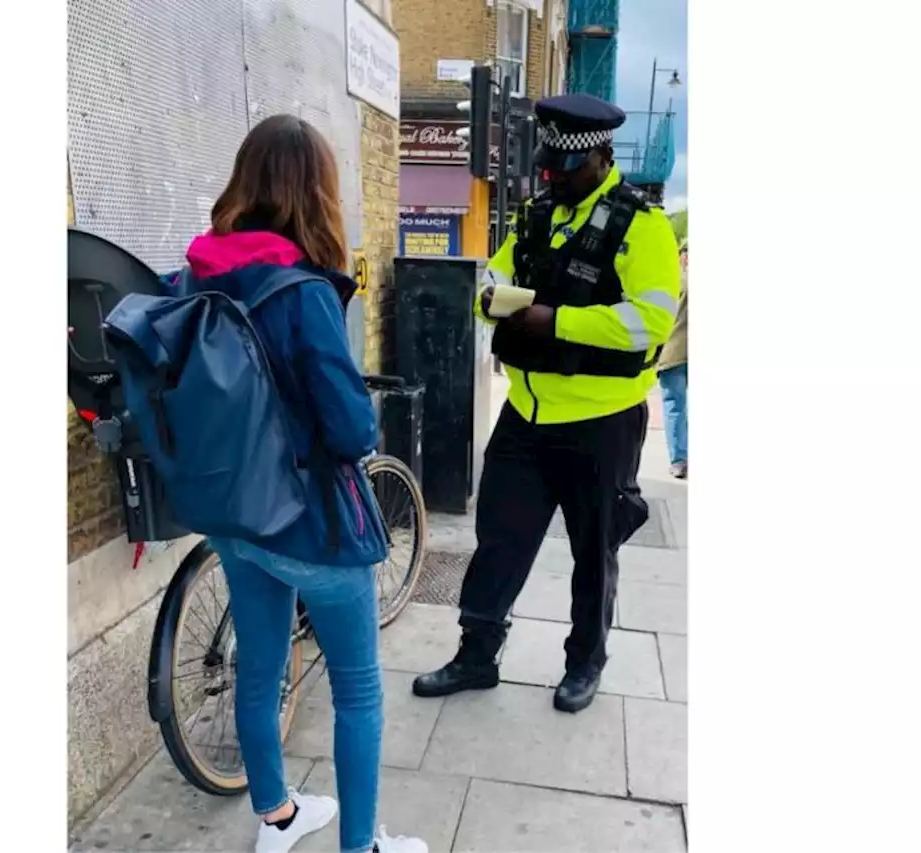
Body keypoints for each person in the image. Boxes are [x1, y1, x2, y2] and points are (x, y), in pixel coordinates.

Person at [178, 114, 428, 853]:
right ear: (313, 191)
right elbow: (350, 430)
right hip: (311, 524)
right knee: (357, 689)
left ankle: (278, 817)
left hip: (234, 515)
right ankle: (360, 845)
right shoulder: (302, 289)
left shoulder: (199, 274)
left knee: (260, 664)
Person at [411, 93, 682, 714]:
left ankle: (584, 664)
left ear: (603, 158)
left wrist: (553, 321)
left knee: (594, 551)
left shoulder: (643, 228)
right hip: (527, 416)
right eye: (549, 169)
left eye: (568, 171)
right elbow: (497, 272)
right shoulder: (540, 215)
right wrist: (491, 294)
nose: (555, 180)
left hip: (602, 423)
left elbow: (651, 322)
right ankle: (477, 654)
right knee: (498, 540)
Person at [656, 240, 688, 478]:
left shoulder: (669, 279)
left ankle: (679, 460)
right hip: (676, 352)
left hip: (672, 353)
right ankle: (680, 458)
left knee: (674, 406)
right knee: (676, 406)